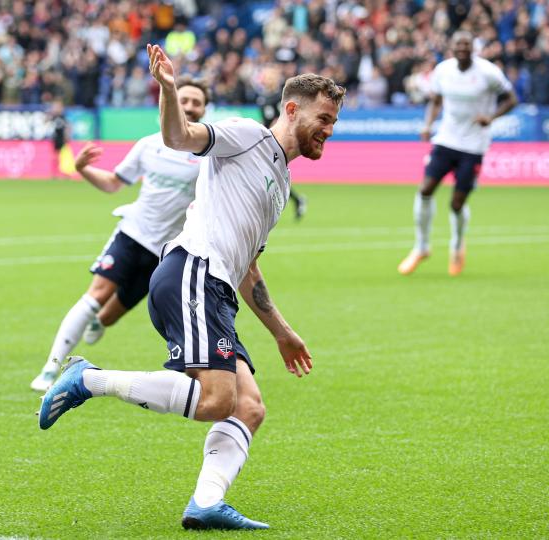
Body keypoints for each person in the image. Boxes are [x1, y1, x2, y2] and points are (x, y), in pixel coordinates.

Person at [38, 44, 343, 530]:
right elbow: (180, 137)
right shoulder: (246, 137)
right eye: (323, 118)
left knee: (249, 406)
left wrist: (282, 331)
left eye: (333, 121)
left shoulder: (280, 182)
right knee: (217, 401)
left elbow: (249, 271)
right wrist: (168, 88)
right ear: (291, 109)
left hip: (215, 286)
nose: (329, 129)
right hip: (192, 272)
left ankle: (205, 503)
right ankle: (88, 378)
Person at [30, 77, 209, 392]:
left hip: (166, 253)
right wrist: (84, 169)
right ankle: (51, 367)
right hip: (132, 234)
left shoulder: (209, 157)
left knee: (108, 316)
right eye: (185, 100)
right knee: (96, 294)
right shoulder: (149, 145)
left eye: (197, 102)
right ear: (170, 103)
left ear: (205, 109)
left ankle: (100, 322)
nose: (190, 107)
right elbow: (114, 183)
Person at [398, 31, 517, 276]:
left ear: (473, 47)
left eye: (466, 44)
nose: (462, 48)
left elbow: (511, 99)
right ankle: (421, 247)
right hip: (446, 139)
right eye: (458, 44)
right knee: (425, 189)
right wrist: (428, 124)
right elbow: (436, 101)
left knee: (456, 203)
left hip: (474, 146)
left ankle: (457, 245)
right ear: (451, 47)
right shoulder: (443, 70)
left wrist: (491, 118)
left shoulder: (488, 73)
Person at [258, 71, 308, 220]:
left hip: (276, 139)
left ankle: (288, 200)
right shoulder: (262, 98)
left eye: (271, 77)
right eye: (266, 77)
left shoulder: (280, 97)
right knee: (270, 173)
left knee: (272, 172)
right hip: (266, 138)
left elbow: (282, 118)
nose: (268, 80)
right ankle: (297, 200)